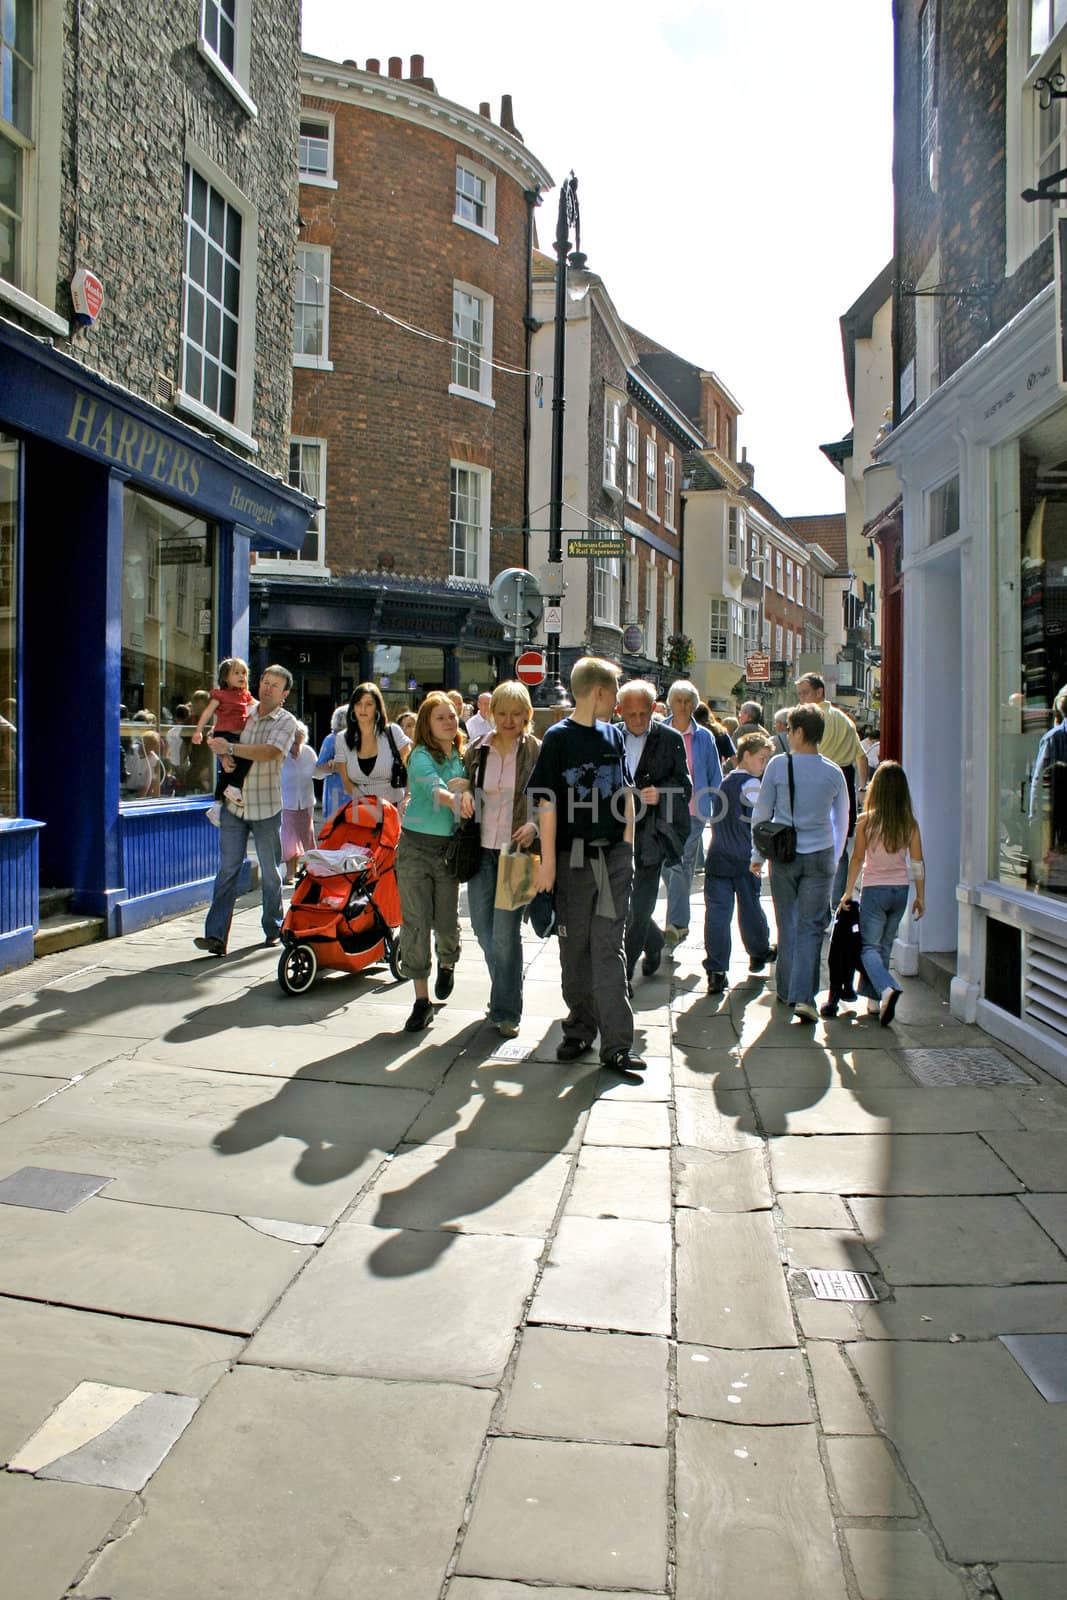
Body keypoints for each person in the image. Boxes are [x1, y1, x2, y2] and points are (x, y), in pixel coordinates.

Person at [527, 656, 643, 1073]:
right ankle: (579, 1031)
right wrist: (547, 864)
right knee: (575, 950)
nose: (616, 701)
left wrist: (626, 845)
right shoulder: (558, 739)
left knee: (609, 948)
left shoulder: (614, 736)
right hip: (573, 861)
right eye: (613, 692)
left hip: (612, 859)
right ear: (598, 692)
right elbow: (546, 802)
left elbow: (626, 792)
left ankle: (617, 1045)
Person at [750, 703, 849, 1023]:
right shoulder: (833, 772)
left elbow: (762, 814)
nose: (787, 735)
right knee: (812, 927)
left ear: (801, 732)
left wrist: (757, 856)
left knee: (787, 924)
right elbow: (842, 820)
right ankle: (805, 997)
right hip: (820, 855)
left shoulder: (779, 766)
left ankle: (787, 991)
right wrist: (833, 859)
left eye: (790, 730)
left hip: (785, 855)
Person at [194, 665, 298, 955]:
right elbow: (220, 736)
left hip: (266, 807)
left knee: (270, 870)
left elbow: (269, 752)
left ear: (284, 694)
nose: (267, 688)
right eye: (265, 682)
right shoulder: (244, 711)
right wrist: (220, 750)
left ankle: (273, 926)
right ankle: (215, 936)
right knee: (227, 869)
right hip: (234, 806)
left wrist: (230, 750)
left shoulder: (286, 722)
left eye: (274, 685)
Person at [464, 681, 541, 1037]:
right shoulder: (477, 750)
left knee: (505, 935)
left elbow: (550, 797)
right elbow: (464, 784)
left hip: (517, 852)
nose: (509, 720)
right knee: (482, 929)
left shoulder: (536, 752)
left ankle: (507, 1010)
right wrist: (459, 789)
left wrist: (534, 826)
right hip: (480, 849)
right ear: (491, 713)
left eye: (516, 714)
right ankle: (506, 988)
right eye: (502, 713)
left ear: (527, 715)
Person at [396, 691, 473, 1032]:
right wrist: (455, 799)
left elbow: (474, 784)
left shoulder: (464, 754)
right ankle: (421, 1001)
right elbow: (432, 789)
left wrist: (467, 789)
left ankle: (447, 963)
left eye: (451, 716)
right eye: (439, 717)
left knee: (444, 922)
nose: (447, 721)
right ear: (426, 723)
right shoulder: (419, 756)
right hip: (413, 847)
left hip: (449, 851)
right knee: (415, 923)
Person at [617, 679, 691, 988]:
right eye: (630, 714)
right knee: (622, 905)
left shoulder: (670, 739)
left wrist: (660, 792)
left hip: (652, 835)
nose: (636, 721)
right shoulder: (610, 737)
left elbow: (685, 787)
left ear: (653, 710)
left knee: (640, 907)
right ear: (620, 711)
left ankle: (624, 974)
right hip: (617, 832)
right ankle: (656, 942)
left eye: (643, 714)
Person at [839, 759, 925, 1025]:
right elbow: (918, 863)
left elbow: (856, 859)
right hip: (900, 890)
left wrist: (847, 892)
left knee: (868, 948)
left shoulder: (866, 821)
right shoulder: (909, 823)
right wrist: (920, 895)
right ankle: (875, 1001)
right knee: (884, 946)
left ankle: (887, 988)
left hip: (874, 888)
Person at [703, 732, 776, 993]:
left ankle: (716, 969)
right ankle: (759, 950)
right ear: (746, 755)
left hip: (718, 855)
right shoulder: (753, 785)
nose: (764, 765)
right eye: (761, 758)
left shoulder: (725, 783)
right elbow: (761, 820)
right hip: (745, 857)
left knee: (718, 915)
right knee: (750, 908)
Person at [661, 679, 724, 949]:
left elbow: (714, 774)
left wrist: (714, 806)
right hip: (662, 809)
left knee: (682, 863)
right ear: (671, 703)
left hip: (694, 811)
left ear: (694, 705)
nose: (683, 706)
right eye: (678, 701)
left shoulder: (704, 736)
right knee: (667, 865)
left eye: (688, 701)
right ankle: (680, 923)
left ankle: (675, 924)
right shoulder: (658, 731)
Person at [794, 672, 867, 903]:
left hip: (816, 781)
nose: (802, 698)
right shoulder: (844, 719)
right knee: (840, 842)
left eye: (805, 693)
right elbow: (861, 757)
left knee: (812, 840)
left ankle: (816, 898)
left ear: (819, 692)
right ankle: (836, 901)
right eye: (800, 694)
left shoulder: (810, 720)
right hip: (844, 779)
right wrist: (863, 789)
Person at [192, 658, 255, 825]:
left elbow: (257, 706)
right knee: (246, 758)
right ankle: (234, 787)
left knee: (229, 769)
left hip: (236, 737)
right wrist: (198, 731)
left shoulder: (245, 695)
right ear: (225, 677)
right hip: (224, 734)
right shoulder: (220, 695)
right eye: (236, 673)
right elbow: (207, 714)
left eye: (244, 673)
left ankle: (217, 806)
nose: (241, 676)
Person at [333, 682, 411, 817]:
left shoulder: (393, 731)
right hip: (363, 813)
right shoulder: (342, 738)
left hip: (395, 811)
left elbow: (412, 768)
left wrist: (408, 797)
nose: (363, 709)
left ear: (377, 708)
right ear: (352, 708)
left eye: (369, 704)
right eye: (358, 704)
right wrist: (370, 805)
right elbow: (346, 783)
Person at [281, 721, 319, 884]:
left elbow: (318, 773)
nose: (297, 747)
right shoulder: (280, 755)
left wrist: (329, 767)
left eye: (300, 742)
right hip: (287, 802)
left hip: (305, 801)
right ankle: (290, 873)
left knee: (307, 838)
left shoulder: (309, 753)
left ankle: (314, 872)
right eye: (294, 742)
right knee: (289, 839)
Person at [313, 706, 349, 825]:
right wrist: (335, 766)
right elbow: (320, 765)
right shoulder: (332, 739)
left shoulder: (358, 739)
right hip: (336, 792)